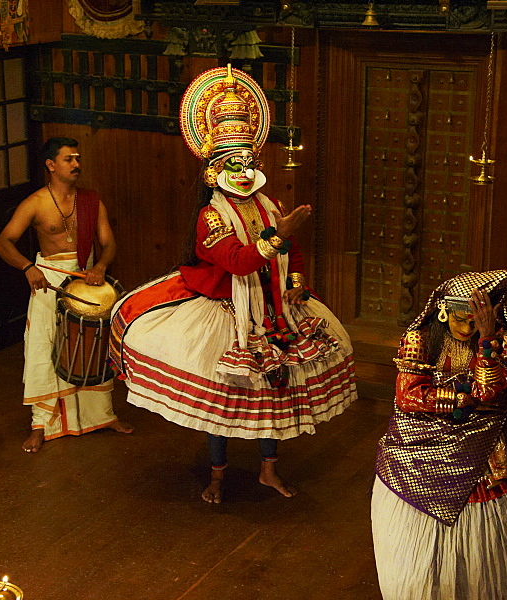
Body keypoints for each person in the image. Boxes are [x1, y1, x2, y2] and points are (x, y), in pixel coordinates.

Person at [109, 66, 357, 503]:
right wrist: (279, 235)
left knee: (276, 398)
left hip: (277, 308)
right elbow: (239, 262)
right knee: (220, 405)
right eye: (231, 164)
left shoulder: (269, 203)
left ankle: (267, 471)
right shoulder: (211, 217)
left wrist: (297, 280)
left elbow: (290, 254)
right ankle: (218, 475)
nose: (242, 171)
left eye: (248, 163)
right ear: (212, 172)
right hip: (228, 314)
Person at [371, 270, 507, 600]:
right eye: (464, 318)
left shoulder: (497, 339)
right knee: (425, 555)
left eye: (478, 318)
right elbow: (409, 396)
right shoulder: (419, 338)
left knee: (481, 551)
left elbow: (492, 387)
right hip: (421, 451)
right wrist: (460, 401)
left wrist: (486, 338)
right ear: (445, 311)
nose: (469, 326)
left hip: (485, 453)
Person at [0, 137, 133, 453]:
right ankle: (40, 425)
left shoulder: (92, 201)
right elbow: (3, 242)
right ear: (50, 165)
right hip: (47, 280)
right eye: (69, 159)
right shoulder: (35, 203)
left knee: (91, 346)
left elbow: (109, 243)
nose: (76, 164)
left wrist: (99, 266)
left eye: (77, 158)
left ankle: (103, 416)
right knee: (44, 348)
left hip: (85, 279)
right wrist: (28, 267)